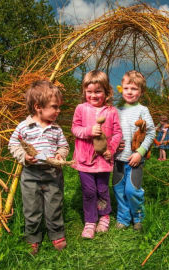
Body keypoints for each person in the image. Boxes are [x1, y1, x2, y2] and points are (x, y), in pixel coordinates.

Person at [8, 80, 68, 254]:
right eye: (54, 107)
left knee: (54, 205)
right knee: (31, 207)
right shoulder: (24, 127)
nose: (58, 111)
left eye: (59, 107)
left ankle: (56, 233)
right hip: (30, 174)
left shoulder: (56, 129)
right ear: (38, 107)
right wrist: (24, 157)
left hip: (52, 173)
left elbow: (64, 146)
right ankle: (33, 237)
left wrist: (60, 155)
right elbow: (13, 145)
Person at [71, 70, 122, 239]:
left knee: (102, 189)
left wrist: (111, 149)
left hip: (103, 160)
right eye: (89, 91)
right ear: (84, 91)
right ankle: (90, 221)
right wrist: (88, 131)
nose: (93, 95)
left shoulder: (111, 111)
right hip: (84, 160)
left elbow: (117, 133)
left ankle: (104, 215)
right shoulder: (81, 109)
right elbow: (75, 129)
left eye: (98, 91)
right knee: (89, 191)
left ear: (106, 92)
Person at [113, 70, 155, 231]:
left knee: (132, 190)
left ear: (141, 92)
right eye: (126, 88)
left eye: (134, 89)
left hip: (135, 160)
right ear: (121, 89)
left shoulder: (142, 110)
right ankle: (123, 218)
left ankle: (137, 216)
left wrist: (140, 152)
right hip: (118, 160)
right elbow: (111, 132)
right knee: (118, 189)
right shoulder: (116, 110)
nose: (130, 92)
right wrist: (113, 145)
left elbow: (151, 132)